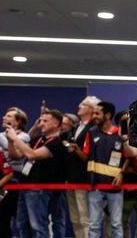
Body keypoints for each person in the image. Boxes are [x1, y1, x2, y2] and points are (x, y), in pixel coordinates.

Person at [5, 109, 68, 238]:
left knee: (38, 225)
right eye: (40, 120)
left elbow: (32, 155)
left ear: (56, 124)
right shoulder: (38, 139)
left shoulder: (56, 143)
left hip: (39, 189)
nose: (41, 123)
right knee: (22, 224)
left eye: (45, 121)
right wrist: (11, 141)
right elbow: (16, 154)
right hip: (25, 185)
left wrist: (16, 138)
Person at [81, 102, 126, 238]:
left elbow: (128, 156)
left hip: (115, 187)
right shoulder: (91, 132)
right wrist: (76, 150)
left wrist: (121, 174)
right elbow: (86, 156)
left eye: (97, 113)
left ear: (107, 115)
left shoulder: (120, 134)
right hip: (95, 187)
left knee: (116, 224)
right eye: (93, 113)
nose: (94, 116)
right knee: (94, 225)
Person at [66, 96, 100, 238]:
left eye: (83, 104)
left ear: (91, 110)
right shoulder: (75, 127)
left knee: (84, 217)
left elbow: (92, 155)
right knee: (74, 218)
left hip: (83, 178)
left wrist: (76, 149)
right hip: (70, 177)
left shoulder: (93, 129)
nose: (79, 105)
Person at [0, 107, 29, 238]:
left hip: (17, 180)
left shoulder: (23, 136)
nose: (4, 118)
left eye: (9, 116)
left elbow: (15, 153)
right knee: (3, 219)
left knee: (22, 219)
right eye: (5, 115)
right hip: (4, 179)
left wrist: (9, 137)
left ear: (17, 122)